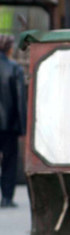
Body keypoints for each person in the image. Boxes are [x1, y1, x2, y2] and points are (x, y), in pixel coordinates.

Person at [0, 35, 25, 207]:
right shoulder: (15, 68)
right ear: (9, 49)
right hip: (8, 124)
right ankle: (7, 197)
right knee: (9, 161)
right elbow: (20, 99)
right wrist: (23, 127)